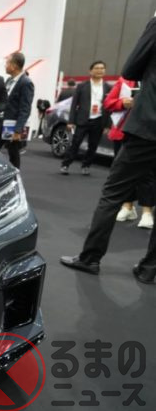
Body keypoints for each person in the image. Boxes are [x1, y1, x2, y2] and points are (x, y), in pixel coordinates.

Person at [60, 16, 156, 284]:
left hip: (148, 126)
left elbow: (131, 69)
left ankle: (90, 258)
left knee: (113, 193)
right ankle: (150, 268)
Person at [104, 76, 154, 229]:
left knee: (148, 174)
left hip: (147, 134)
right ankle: (127, 206)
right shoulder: (124, 81)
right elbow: (108, 103)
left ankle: (147, 211)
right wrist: (122, 103)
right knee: (123, 174)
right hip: (123, 132)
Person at [60, 61, 112, 176]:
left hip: (99, 120)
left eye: (102, 68)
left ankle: (86, 166)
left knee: (93, 146)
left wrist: (108, 125)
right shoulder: (82, 86)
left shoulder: (108, 87)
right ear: (91, 71)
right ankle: (65, 164)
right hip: (83, 119)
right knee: (76, 143)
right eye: (97, 68)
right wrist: (71, 121)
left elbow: (109, 107)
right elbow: (74, 104)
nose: (100, 70)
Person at [0, 52, 34, 169]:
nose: (5, 65)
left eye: (7, 63)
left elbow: (25, 109)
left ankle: (15, 176)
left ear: (14, 66)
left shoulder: (26, 83)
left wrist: (18, 130)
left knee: (13, 154)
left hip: (12, 126)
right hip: (2, 122)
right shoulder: (9, 80)